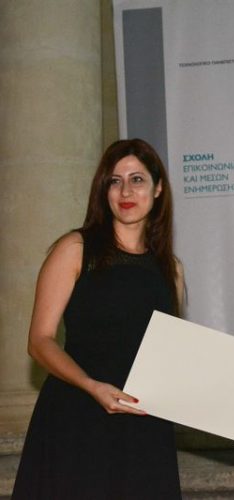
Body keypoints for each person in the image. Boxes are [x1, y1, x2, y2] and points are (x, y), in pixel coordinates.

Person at [12, 138, 184, 499]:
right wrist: (91, 386)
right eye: (114, 181)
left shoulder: (172, 269)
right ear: (103, 190)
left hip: (143, 427)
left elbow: (173, 355)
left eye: (137, 179)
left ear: (158, 189)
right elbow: (39, 341)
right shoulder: (75, 249)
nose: (126, 191)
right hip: (78, 417)